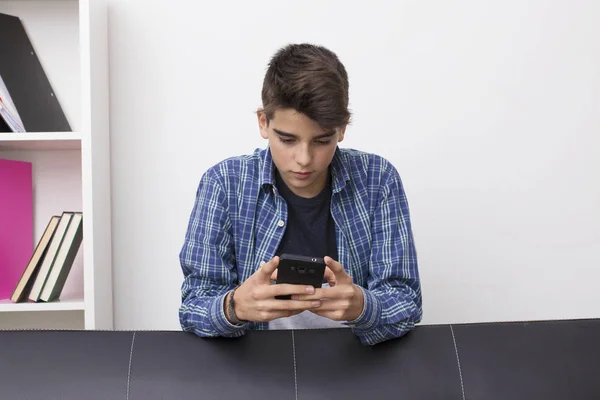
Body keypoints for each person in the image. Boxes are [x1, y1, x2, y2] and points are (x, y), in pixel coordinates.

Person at [178, 43, 422, 346]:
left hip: (358, 368)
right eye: (288, 140)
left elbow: (406, 303)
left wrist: (362, 306)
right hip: (256, 372)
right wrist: (235, 307)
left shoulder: (378, 179)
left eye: (321, 141)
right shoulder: (224, 183)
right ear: (263, 122)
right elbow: (192, 306)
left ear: (342, 128)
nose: (304, 159)